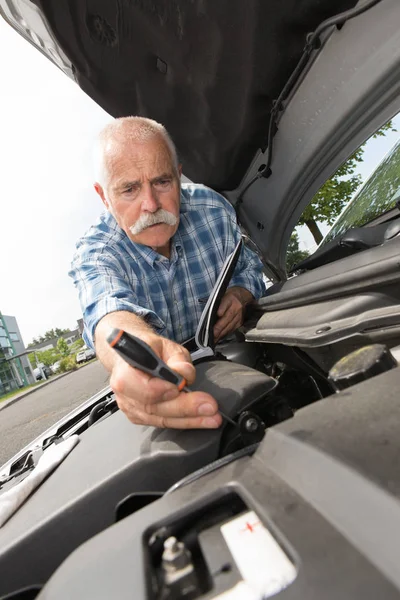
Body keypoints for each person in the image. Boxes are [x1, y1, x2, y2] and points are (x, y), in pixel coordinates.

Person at [69, 117, 266, 429]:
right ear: (104, 197)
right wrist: (131, 355)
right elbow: (106, 312)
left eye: (162, 182)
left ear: (178, 175)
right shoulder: (96, 253)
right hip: (166, 399)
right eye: (129, 189)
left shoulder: (214, 211)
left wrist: (242, 293)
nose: (150, 204)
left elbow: (252, 267)